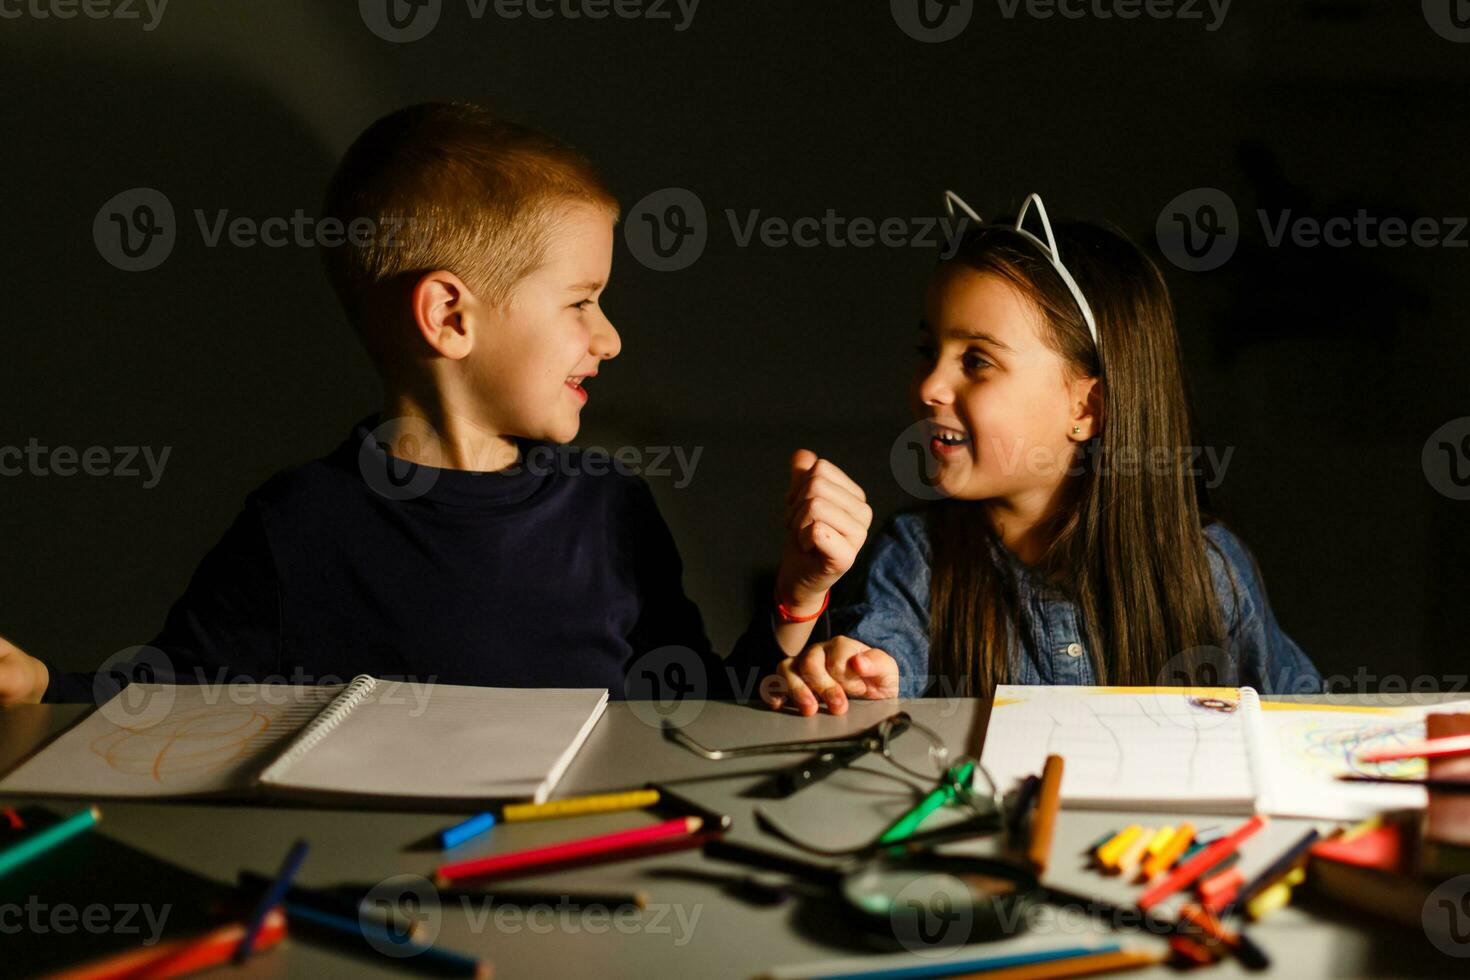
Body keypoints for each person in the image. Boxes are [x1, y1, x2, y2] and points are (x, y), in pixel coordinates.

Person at [0, 103, 869, 705]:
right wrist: (44, 687)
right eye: (581, 302)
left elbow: (708, 712)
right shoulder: (296, 528)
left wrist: (799, 596)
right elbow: (166, 703)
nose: (608, 340)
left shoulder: (614, 511)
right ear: (450, 315)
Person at [760, 193, 1323, 716]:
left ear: (1088, 409)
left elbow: (1302, 721)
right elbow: (878, 658)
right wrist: (859, 676)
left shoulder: (1208, 570)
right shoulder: (916, 559)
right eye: (928, 350)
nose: (929, 384)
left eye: (976, 360)